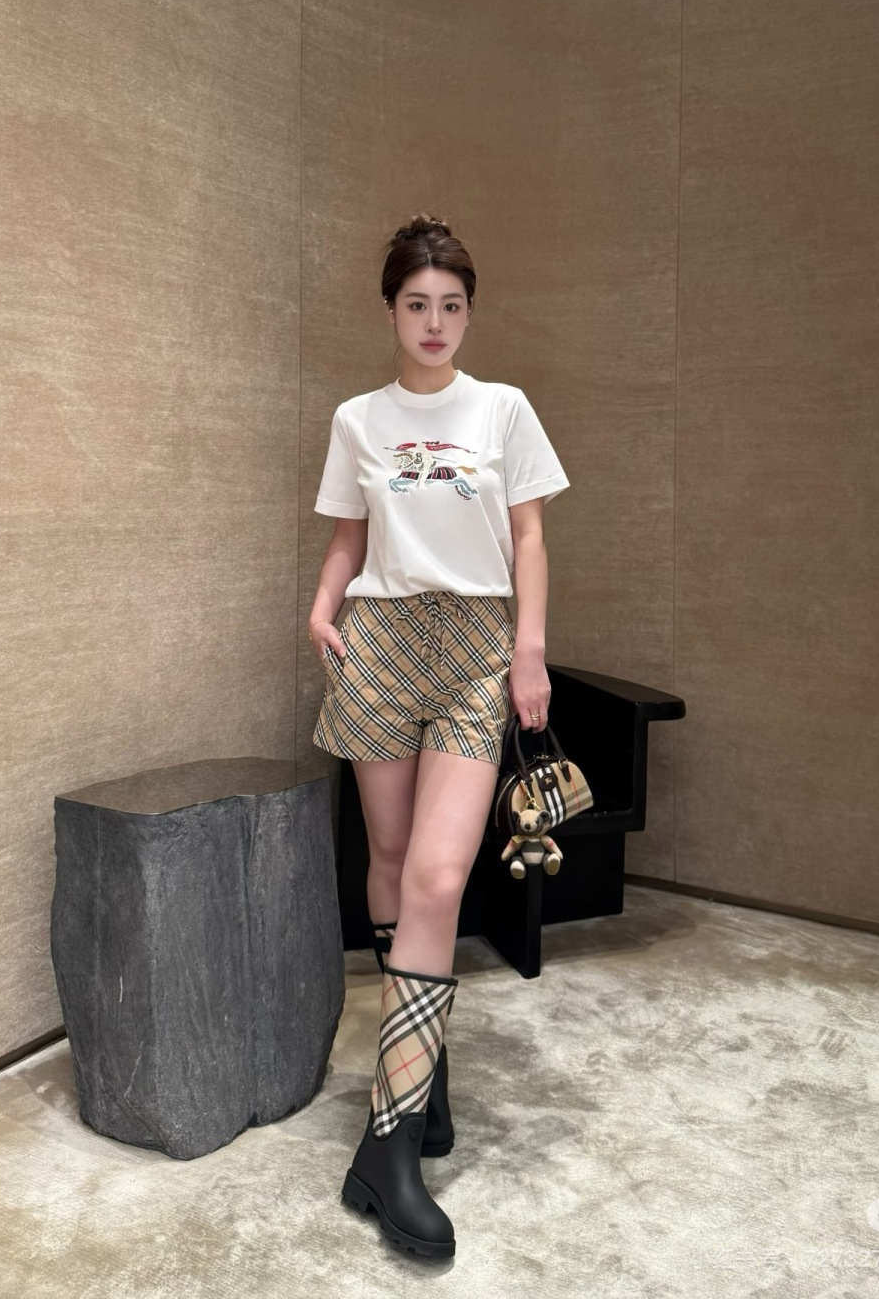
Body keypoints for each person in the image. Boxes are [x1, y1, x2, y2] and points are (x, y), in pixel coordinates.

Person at [307, 212, 570, 1260]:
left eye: (451, 305)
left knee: (436, 874)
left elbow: (529, 535)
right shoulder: (357, 418)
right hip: (376, 639)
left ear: (468, 312)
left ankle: (386, 1147)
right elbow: (350, 535)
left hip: (473, 646)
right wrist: (320, 606)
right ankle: (425, 1064)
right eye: (417, 304)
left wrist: (529, 650)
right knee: (384, 859)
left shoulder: (502, 408)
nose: (434, 322)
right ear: (391, 309)